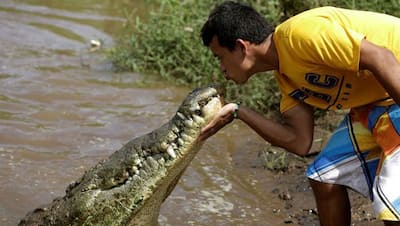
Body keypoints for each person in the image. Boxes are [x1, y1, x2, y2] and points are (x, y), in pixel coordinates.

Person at [199, 1, 400, 225]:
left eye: (220, 57)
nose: (221, 68)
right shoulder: (286, 79)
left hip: (395, 89)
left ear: (241, 47)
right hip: (377, 103)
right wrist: (238, 112)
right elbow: (300, 142)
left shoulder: (300, 35)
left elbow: (382, 58)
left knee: (391, 202)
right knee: (324, 176)